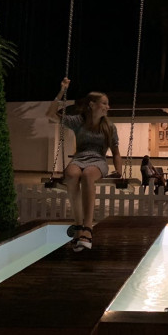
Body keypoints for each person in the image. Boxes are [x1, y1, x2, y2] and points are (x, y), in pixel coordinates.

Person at [46, 77, 122, 251]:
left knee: (87, 175)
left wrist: (119, 171)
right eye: (104, 103)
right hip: (79, 158)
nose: (108, 107)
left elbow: (116, 153)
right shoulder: (78, 121)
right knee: (71, 174)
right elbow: (50, 115)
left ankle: (88, 227)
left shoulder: (109, 127)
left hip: (98, 161)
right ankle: (78, 225)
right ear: (92, 105)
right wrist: (62, 91)